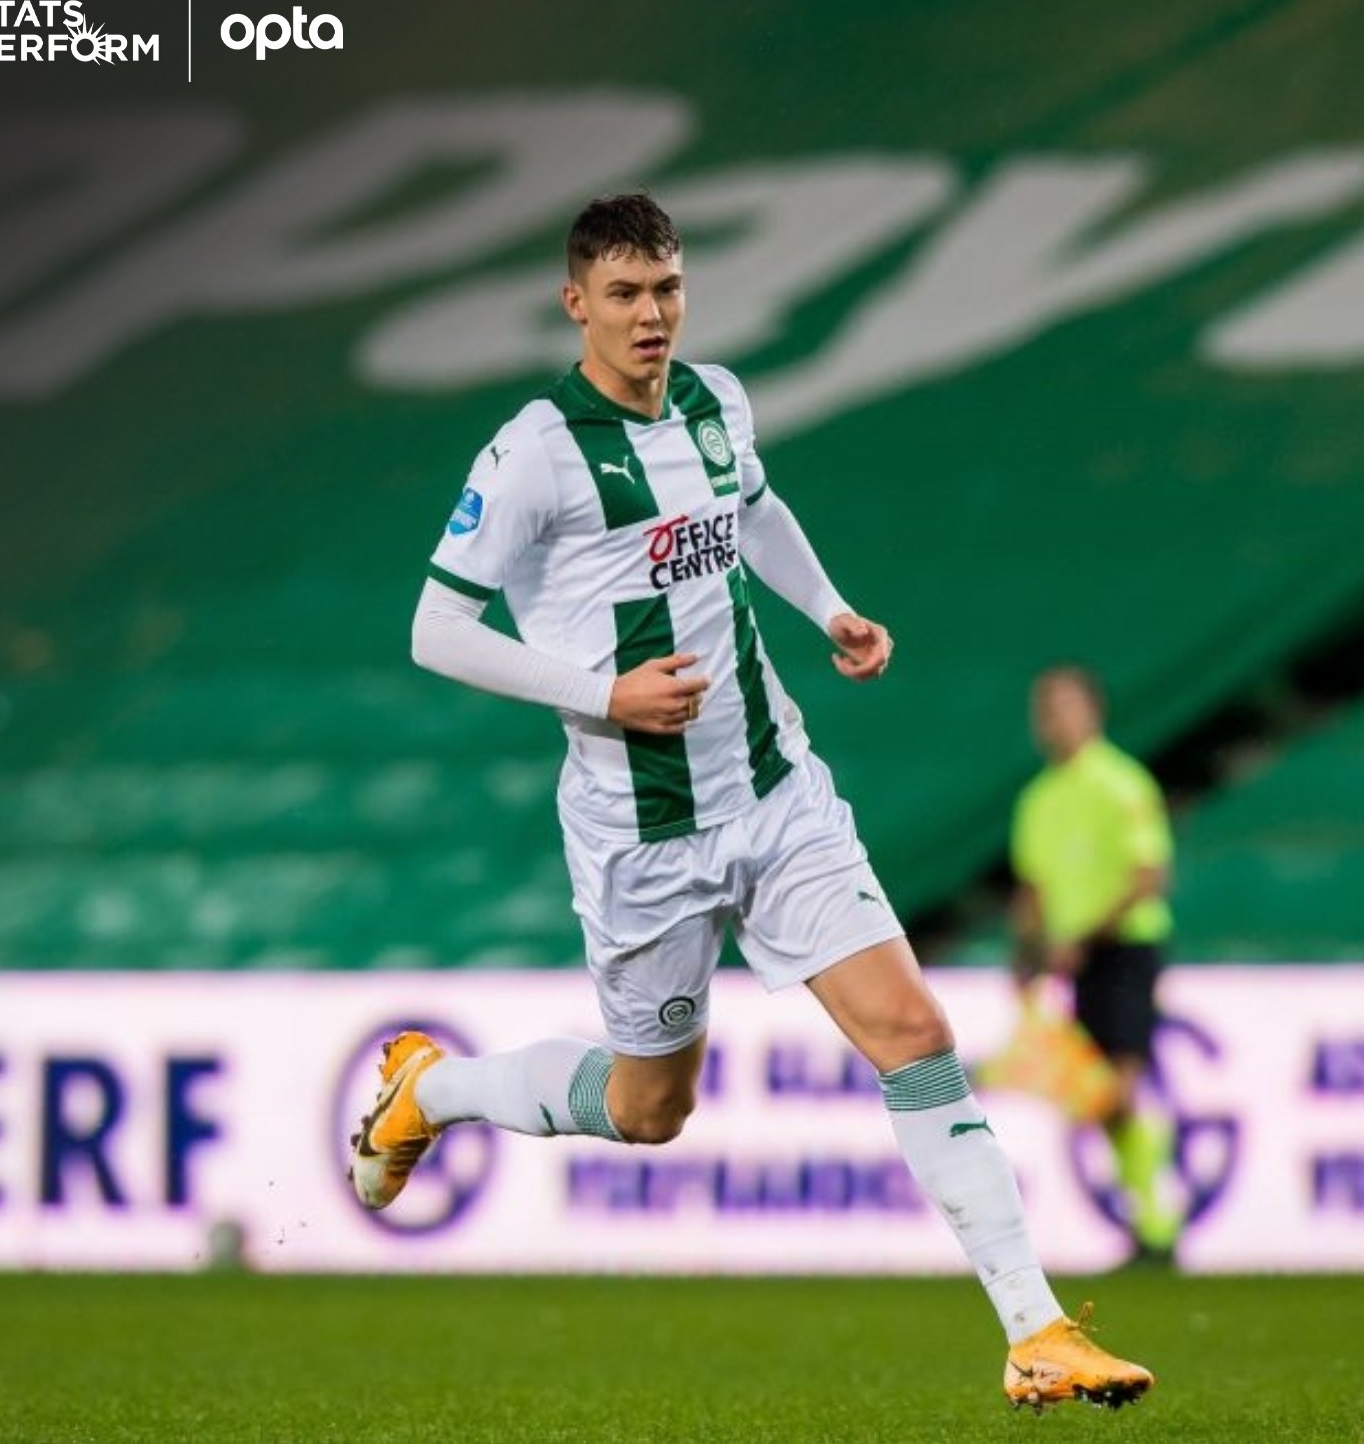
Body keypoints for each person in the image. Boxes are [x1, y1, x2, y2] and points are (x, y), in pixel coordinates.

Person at [349, 194, 1153, 1411]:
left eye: (667, 288)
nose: (651, 314)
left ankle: (1034, 1330)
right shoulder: (534, 454)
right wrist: (603, 693)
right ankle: (434, 1091)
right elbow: (434, 629)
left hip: (777, 795)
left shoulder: (718, 403)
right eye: (624, 294)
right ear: (576, 304)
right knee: (649, 1110)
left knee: (914, 1032)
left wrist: (828, 608)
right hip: (642, 836)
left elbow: (752, 511)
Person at [1010, 665, 1182, 1264]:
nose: (1052, 720)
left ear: (1093, 711)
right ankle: (1151, 1222)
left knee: (1121, 1083)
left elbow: (1148, 877)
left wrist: (1082, 937)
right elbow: (1032, 889)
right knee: (1102, 1094)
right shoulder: (1038, 799)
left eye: (1063, 706)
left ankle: (1158, 1225)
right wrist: (1026, 955)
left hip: (1125, 948)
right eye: (1045, 709)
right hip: (1074, 958)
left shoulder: (1122, 784)